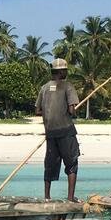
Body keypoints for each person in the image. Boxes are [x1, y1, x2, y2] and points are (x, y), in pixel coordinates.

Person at [35, 58, 80, 202]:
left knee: (50, 163)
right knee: (72, 163)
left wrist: (50, 113)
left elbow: (37, 111)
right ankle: (70, 198)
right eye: (65, 70)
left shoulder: (44, 88)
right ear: (60, 72)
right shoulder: (68, 86)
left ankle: (47, 197)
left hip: (50, 132)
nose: (66, 72)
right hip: (66, 130)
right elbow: (72, 111)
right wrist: (72, 112)